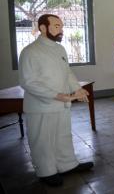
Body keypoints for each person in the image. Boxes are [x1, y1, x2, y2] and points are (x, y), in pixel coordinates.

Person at [18, 14, 93, 186]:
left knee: (63, 135)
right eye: (57, 26)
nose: (61, 30)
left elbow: (66, 73)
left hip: (62, 104)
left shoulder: (60, 49)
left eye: (61, 26)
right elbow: (28, 82)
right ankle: (46, 171)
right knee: (43, 139)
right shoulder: (30, 51)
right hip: (41, 105)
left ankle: (67, 164)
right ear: (43, 28)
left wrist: (77, 89)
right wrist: (57, 95)